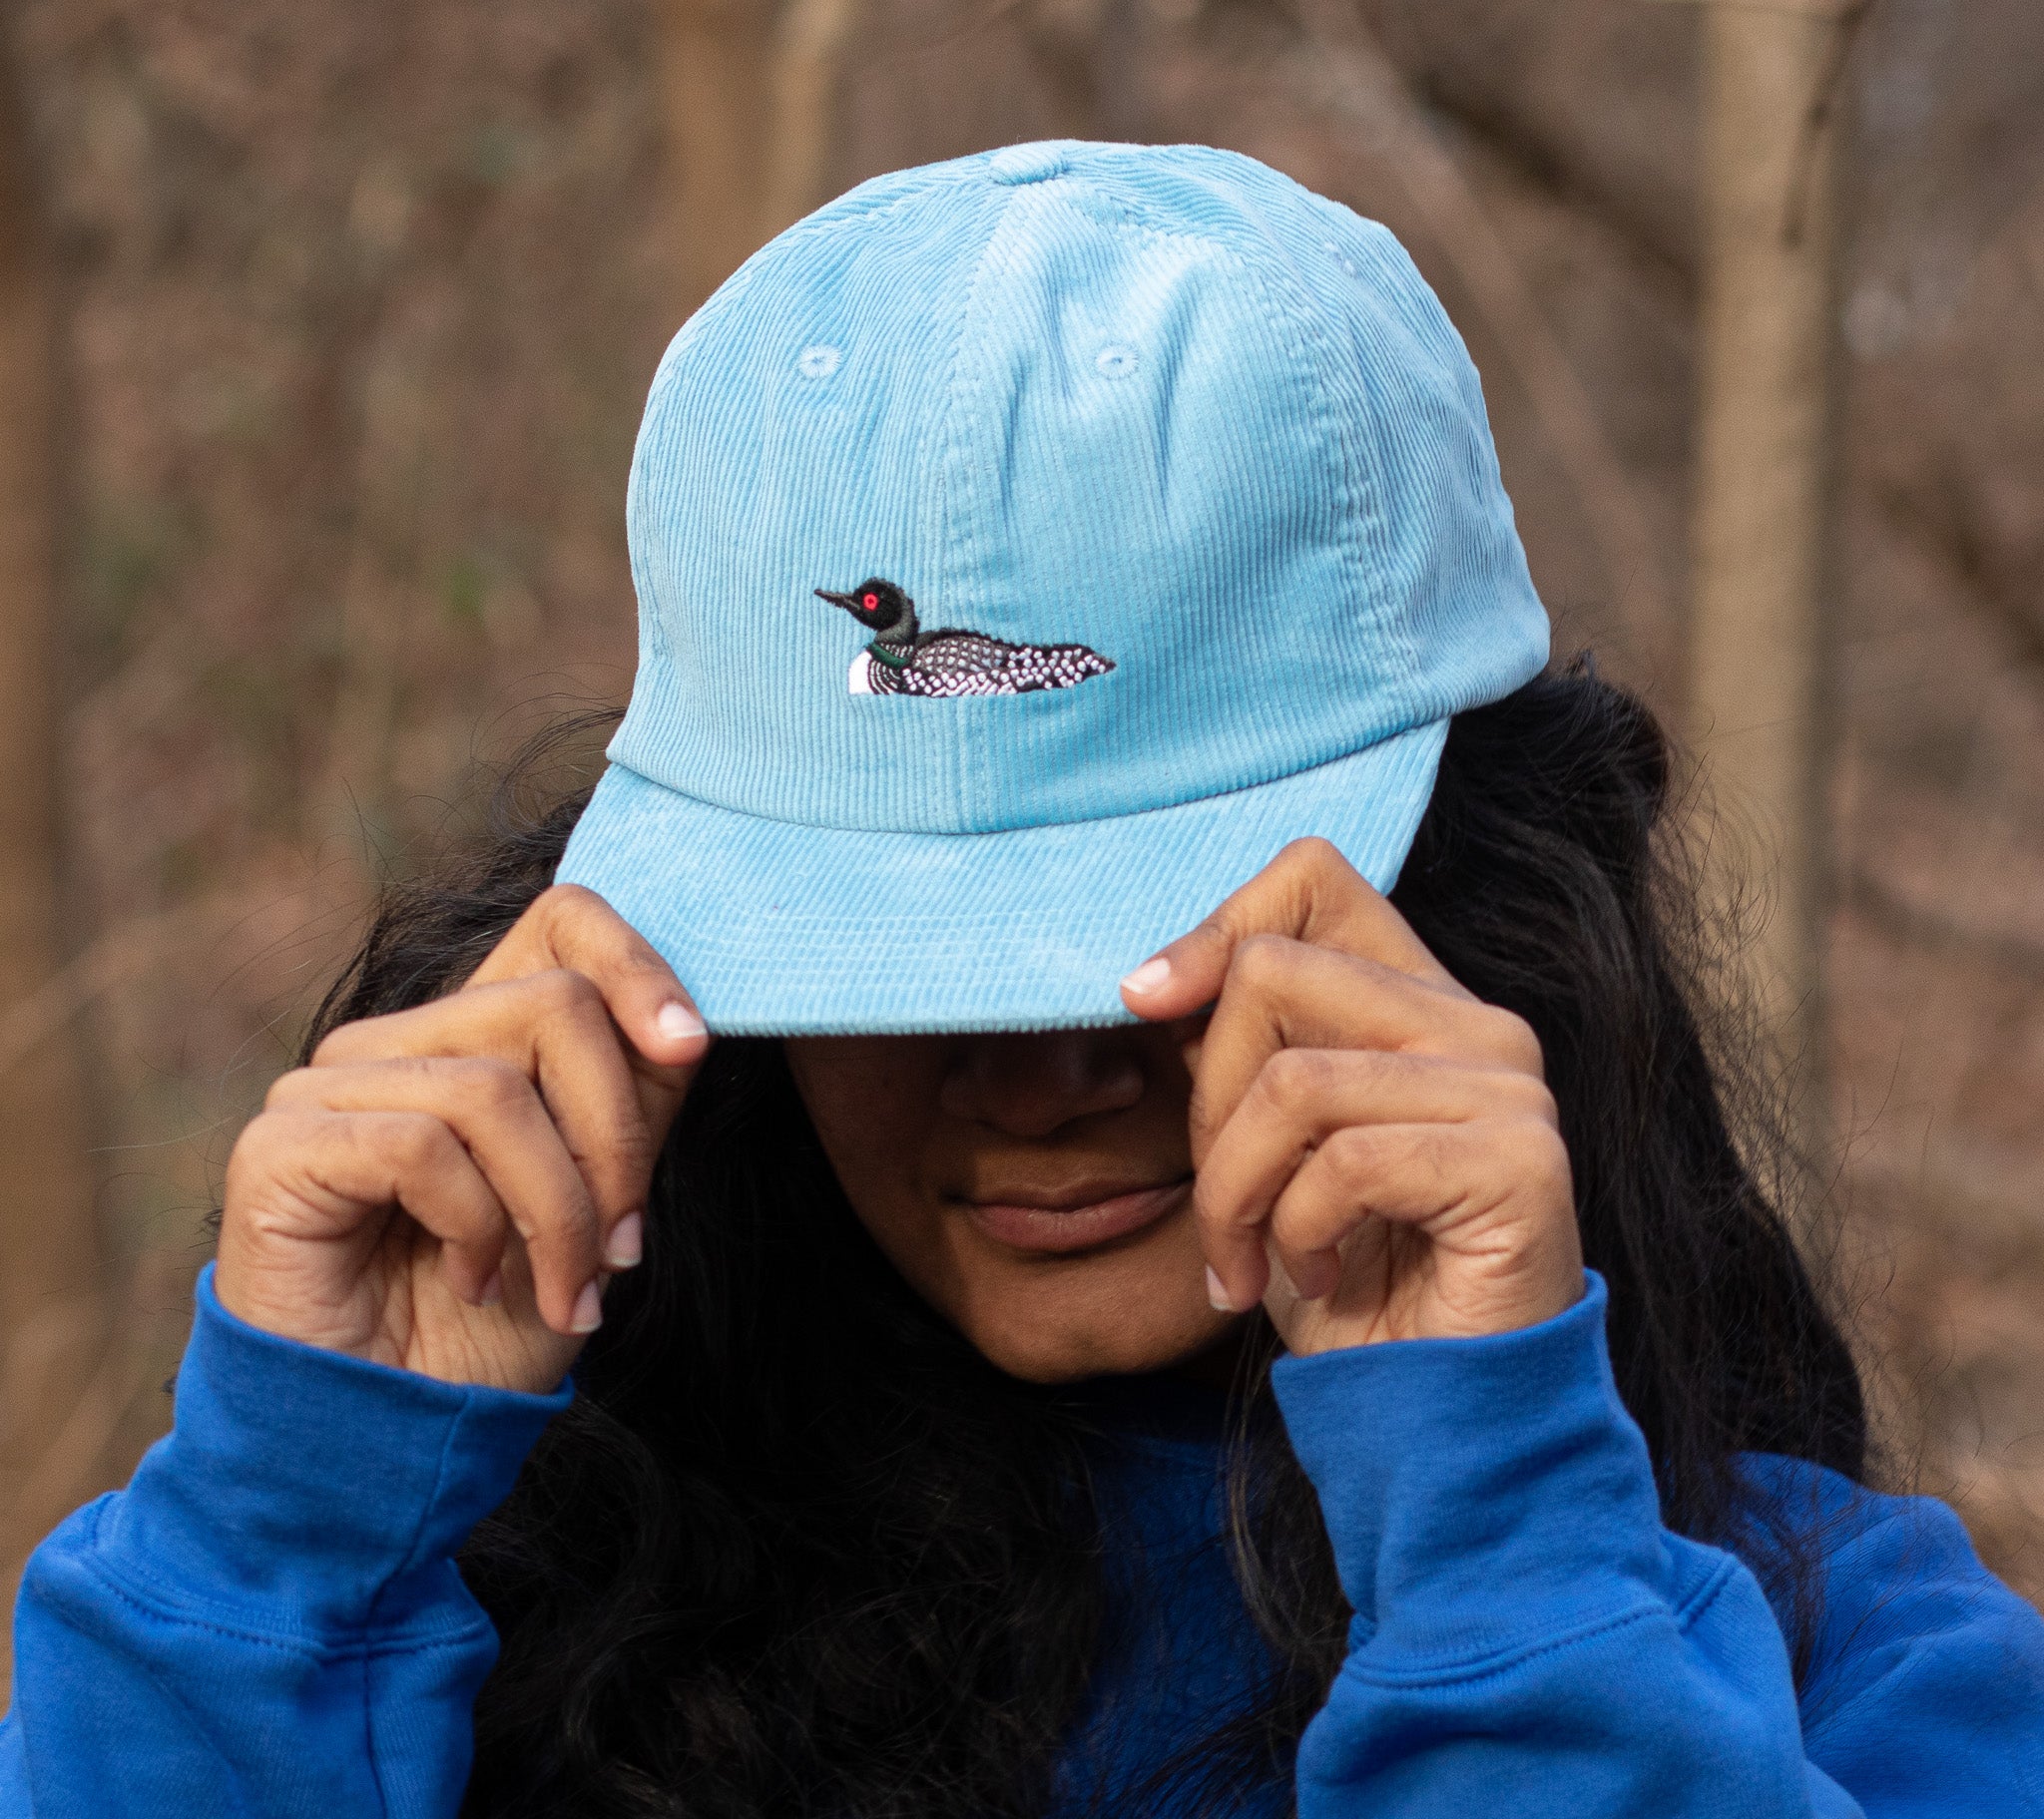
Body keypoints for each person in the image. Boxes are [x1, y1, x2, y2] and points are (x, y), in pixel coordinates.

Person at [5, 141, 2040, 1818]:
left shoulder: (1856, 1680)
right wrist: (291, 1533)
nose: (1033, 1072)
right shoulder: (447, 1614)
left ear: (1475, 906)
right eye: (876, 962)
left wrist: (1502, 1559)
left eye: (1168, 946)